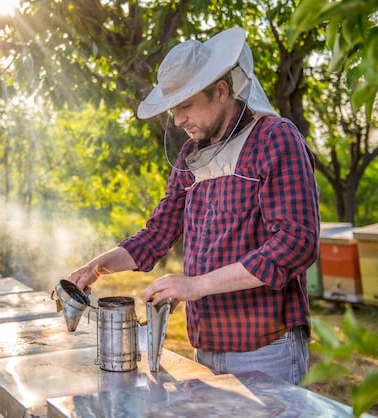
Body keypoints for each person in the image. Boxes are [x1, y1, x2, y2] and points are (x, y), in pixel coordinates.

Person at [67, 27, 320, 385]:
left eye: (185, 105)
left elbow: (296, 244)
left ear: (221, 91)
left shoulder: (274, 138)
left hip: (267, 350)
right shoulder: (190, 156)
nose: (178, 119)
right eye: (173, 109)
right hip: (207, 347)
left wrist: (195, 285)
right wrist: (97, 267)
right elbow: (157, 234)